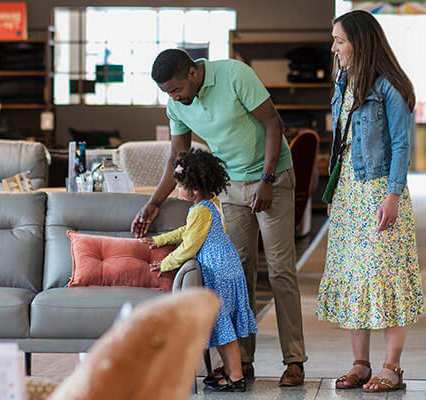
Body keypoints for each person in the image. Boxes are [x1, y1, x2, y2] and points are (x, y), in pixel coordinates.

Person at [131, 48, 308, 386]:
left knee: (280, 269)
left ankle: (294, 360)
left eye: (176, 89)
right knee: (236, 271)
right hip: (229, 187)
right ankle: (241, 361)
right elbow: (177, 158)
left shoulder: (234, 75)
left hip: (272, 179)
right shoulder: (178, 104)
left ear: (193, 73)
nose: (173, 97)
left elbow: (274, 123)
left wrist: (267, 180)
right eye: (167, 92)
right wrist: (154, 203)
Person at [316, 10, 425, 393]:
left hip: (379, 191)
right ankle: (360, 364)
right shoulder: (344, 81)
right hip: (348, 193)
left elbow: (400, 145)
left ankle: (392, 367)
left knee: (386, 278)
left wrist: (392, 196)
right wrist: (334, 190)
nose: (334, 47)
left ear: (359, 42)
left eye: (339, 40)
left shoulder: (388, 86)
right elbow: (341, 144)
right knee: (354, 279)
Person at [141, 149, 257, 392]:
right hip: (227, 267)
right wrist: (162, 240)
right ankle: (229, 372)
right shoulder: (209, 203)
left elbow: (189, 246)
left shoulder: (201, 210)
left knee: (223, 327)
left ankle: (235, 377)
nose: (177, 190)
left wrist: (165, 263)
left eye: (180, 186)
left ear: (193, 189)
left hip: (219, 272)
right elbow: (187, 231)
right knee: (225, 325)